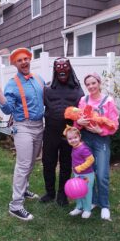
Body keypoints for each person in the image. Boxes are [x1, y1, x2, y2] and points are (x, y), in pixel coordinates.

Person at [0, 47, 45, 221]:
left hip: (40, 126)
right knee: (23, 165)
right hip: (23, 127)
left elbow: (47, 99)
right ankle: (15, 205)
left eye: (26, 59)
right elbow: (7, 108)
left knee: (31, 162)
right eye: (20, 60)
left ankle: (24, 190)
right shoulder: (12, 84)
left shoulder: (39, 79)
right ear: (15, 64)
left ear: (30, 60)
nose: (24, 62)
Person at [40, 57, 84, 206]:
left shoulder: (78, 90)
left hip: (69, 135)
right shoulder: (47, 89)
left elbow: (83, 110)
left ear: (69, 69)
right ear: (54, 70)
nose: (62, 69)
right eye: (58, 66)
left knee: (66, 164)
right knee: (48, 163)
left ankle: (62, 194)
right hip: (50, 133)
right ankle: (50, 192)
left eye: (65, 66)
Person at [76, 72, 119, 220]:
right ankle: (93, 200)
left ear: (99, 83)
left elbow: (114, 124)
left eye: (93, 83)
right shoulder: (83, 100)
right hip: (86, 140)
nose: (91, 86)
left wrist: (101, 130)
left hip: (101, 140)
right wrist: (78, 123)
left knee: (101, 175)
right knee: (89, 173)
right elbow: (77, 121)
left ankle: (104, 205)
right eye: (88, 84)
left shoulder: (108, 101)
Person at [63, 126, 95, 219]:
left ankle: (87, 209)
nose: (73, 140)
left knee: (86, 192)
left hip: (87, 175)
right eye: (70, 139)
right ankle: (79, 207)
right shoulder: (75, 147)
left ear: (79, 136)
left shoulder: (83, 148)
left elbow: (91, 160)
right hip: (78, 174)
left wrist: (80, 168)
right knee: (78, 191)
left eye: (75, 138)